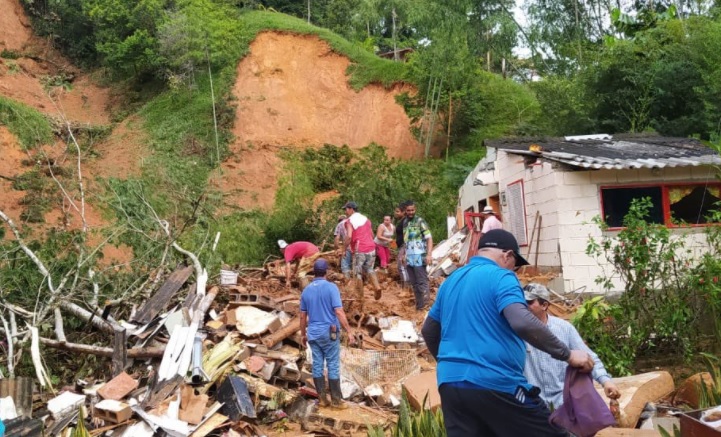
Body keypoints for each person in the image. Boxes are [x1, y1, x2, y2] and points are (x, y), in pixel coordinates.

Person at [421, 229, 595, 437]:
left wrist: (453, 365)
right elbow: (521, 320)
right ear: (507, 255)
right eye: (516, 264)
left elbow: (429, 330)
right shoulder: (502, 276)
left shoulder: (451, 281)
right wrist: (568, 354)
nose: (516, 270)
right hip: (496, 383)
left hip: (451, 386)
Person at [523, 283, 621, 409]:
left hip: (563, 404)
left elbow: (588, 357)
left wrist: (606, 381)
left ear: (544, 305)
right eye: (521, 302)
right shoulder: (516, 332)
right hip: (533, 406)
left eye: (529, 302)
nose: (524, 306)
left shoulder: (564, 329)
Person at [300, 258, 356, 410]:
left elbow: (303, 316)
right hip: (329, 332)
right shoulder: (331, 288)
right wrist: (349, 331)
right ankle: (337, 400)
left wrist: (302, 334)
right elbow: (338, 311)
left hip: (313, 334)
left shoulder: (306, 290)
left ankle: (323, 399)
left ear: (314, 272)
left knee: (317, 364)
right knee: (332, 364)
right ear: (326, 271)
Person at [343, 201, 382, 300]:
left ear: (351, 209)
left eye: (346, 209)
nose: (345, 211)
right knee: (369, 269)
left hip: (359, 249)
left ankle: (359, 296)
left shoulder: (349, 221)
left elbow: (349, 236)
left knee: (357, 273)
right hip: (371, 247)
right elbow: (372, 235)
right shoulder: (366, 219)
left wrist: (344, 249)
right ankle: (377, 287)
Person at [403, 201, 433, 310]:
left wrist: (429, 254)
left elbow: (429, 238)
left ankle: (425, 308)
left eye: (412, 210)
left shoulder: (420, 221)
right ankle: (419, 307)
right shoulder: (405, 222)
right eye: (408, 210)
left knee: (422, 282)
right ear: (405, 211)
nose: (410, 212)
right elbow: (406, 241)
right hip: (409, 258)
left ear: (415, 210)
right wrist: (404, 255)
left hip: (420, 257)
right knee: (414, 284)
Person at [394, 202, 410, 288]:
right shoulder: (403, 221)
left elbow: (407, 235)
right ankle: (407, 286)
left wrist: (406, 249)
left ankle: (406, 286)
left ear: (403, 212)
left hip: (404, 246)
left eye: (398, 211)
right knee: (404, 266)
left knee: (401, 266)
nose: (396, 213)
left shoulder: (405, 221)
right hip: (402, 246)